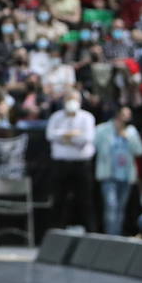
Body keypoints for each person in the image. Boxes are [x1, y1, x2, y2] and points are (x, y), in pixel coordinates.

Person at [46, 90, 97, 231]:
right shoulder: (56, 117)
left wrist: (65, 137)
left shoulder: (87, 117)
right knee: (59, 199)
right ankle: (56, 230)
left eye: (74, 99)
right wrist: (72, 135)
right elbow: (51, 135)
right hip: (61, 164)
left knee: (85, 200)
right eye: (68, 99)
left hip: (81, 164)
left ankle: (90, 231)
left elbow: (86, 139)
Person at [94, 107, 142, 236]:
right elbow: (94, 147)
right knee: (111, 206)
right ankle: (111, 236)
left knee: (120, 209)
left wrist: (128, 138)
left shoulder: (131, 131)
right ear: (117, 115)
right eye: (125, 114)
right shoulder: (102, 129)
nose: (127, 117)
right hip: (109, 175)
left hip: (126, 176)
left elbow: (140, 151)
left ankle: (117, 236)